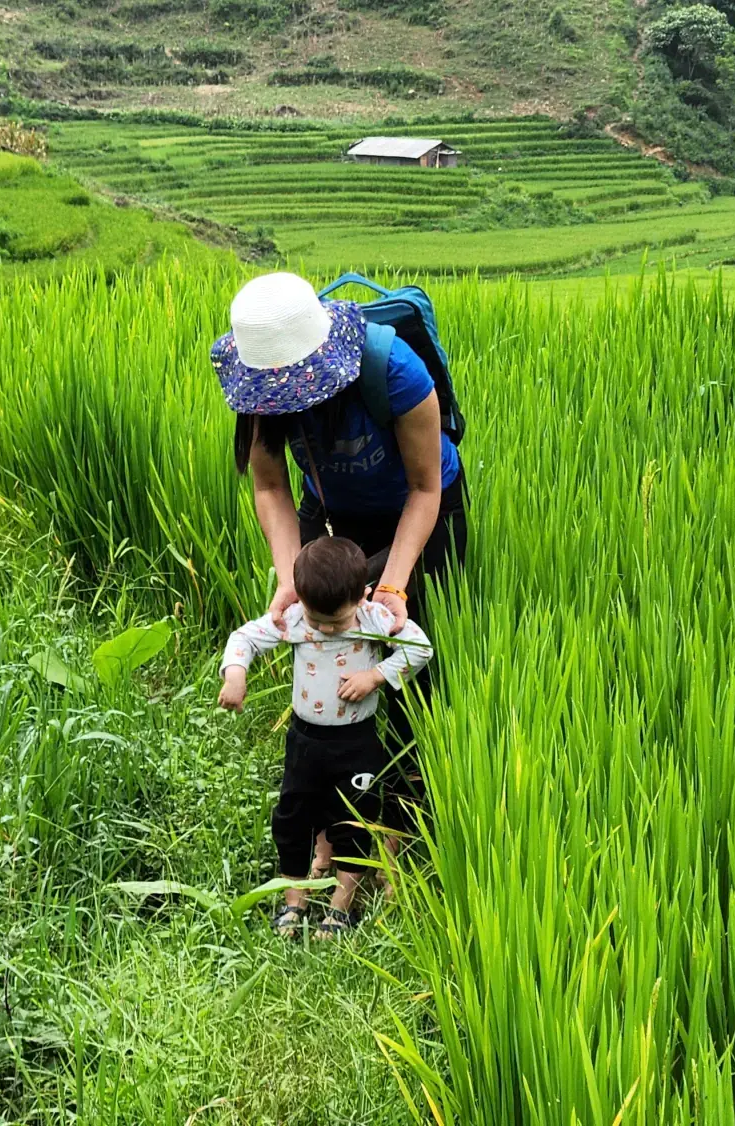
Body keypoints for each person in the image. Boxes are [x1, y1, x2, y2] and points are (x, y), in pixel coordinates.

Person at [212, 272, 468, 638]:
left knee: (412, 638)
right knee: (326, 631)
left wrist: (393, 586)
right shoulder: (258, 400)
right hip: (331, 507)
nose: (283, 401)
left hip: (420, 502)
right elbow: (271, 487)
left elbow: (424, 487)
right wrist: (289, 580)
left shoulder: (396, 369)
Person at [218, 536, 432, 939]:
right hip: (305, 741)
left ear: (363, 596)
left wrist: (376, 675)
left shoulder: (373, 618)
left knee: (355, 818)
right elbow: (244, 638)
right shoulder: (297, 618)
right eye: (319, 621)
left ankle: (341, 904)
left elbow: (420, 648)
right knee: (294, 816)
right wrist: (236, 674)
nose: (327, 629)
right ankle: (293, 898)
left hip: (357, 742)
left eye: (337, 622)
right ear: (300, 600)